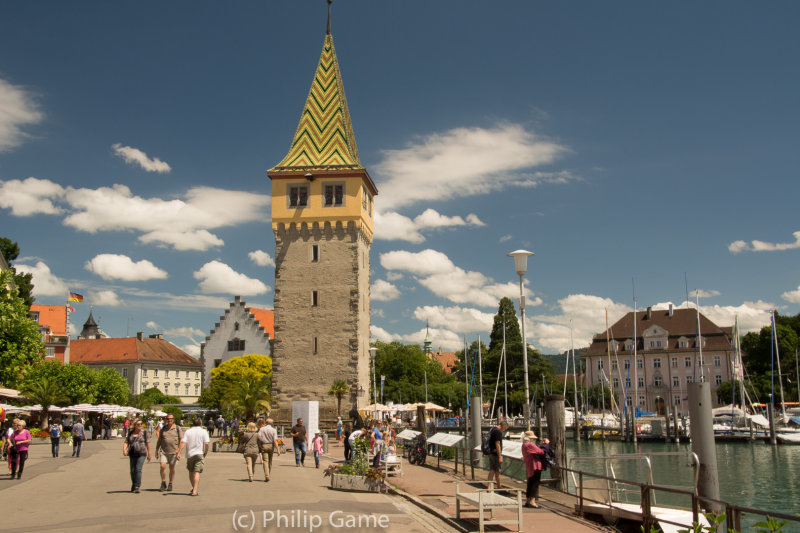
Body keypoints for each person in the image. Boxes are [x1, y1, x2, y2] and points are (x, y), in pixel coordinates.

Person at [178, 417, 210, 496]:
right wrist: (205, 452)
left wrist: (178, 452)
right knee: (197, 472)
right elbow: (206, 443)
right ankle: (195, 490)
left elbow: (183, 442)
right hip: (199, 453)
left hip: (190, 454)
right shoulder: (203, 431)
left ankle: (194, 488)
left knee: (191, 471)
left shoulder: (188, 431)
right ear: (201, 424)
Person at [122, 419, 151, 493]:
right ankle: (134, 484)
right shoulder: (131, 433)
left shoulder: (144, 433)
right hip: (132, 453)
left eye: (141, 424)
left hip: (142, 453)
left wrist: (149, 453)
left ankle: (137, 486)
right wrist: (124, 450)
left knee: (138, 469)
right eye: (138, 424)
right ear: (135, 425)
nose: (140, 426)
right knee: (132, 471)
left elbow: (148, 443)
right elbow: (126, 442)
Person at [155, 414, 181, 491]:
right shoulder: (163, 429)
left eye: (171, 419)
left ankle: (170, 483)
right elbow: (159, 440)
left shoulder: (177, 428)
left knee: (171, 468)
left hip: (173, 451)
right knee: (162, 466)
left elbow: (181, 439)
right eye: (168, 419)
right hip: (164, 451)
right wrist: (156, 450)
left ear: (173, 419)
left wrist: (179, 451)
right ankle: (163, 482)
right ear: (166, 419)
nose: (169, 420)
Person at [521, 430, 545, 508]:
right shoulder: (530, 445)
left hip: (529, 466)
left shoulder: (523, 445)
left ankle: (528, 500)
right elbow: (541, 452)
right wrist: (545, 444)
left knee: (530, 483)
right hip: (535, 466)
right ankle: (532, 501)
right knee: (535, 483)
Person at [487, 420, 508, 489]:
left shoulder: (492, 429)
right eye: (504, 429)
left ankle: (489, 487)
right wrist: (500, 456)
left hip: (490, 452)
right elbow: (497, 444)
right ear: (503, 426)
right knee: (497, 470)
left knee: (492, 469)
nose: (504, 430)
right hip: (495, 453)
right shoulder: (498, 432)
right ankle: (499, 486)